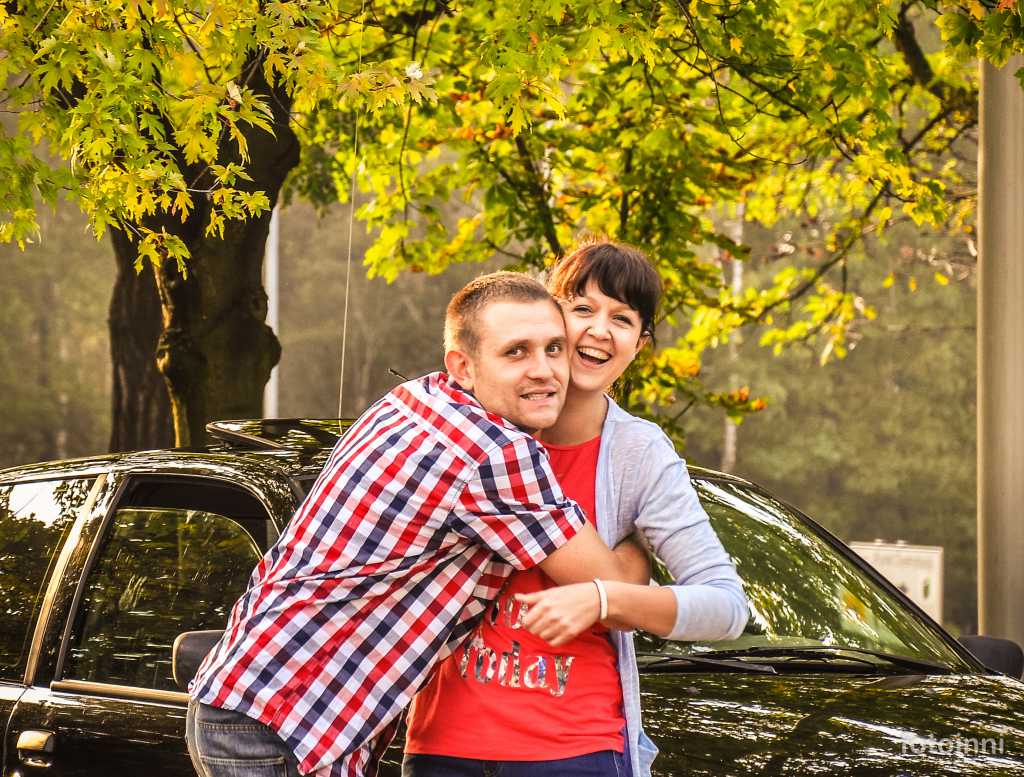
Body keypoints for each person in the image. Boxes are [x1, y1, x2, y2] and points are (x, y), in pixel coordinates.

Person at [185, 272, 651, 777]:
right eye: (516, 352)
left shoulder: (412, 400)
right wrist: (645, 521)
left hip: (254, 700)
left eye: (554, 348)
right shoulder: (494, 453)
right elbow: (618, 595)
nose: (544, 370)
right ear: (463, 366)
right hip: (286, 722)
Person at [404, 241, 748, 777]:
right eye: (582, 308)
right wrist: (624, 566)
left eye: (623, 319)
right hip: (442, 746)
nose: (599, 330)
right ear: (549, 315)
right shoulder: (466, 428)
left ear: (640, 343)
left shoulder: (638, 453)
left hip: (575, 751)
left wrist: (605, 597)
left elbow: (726, 607)